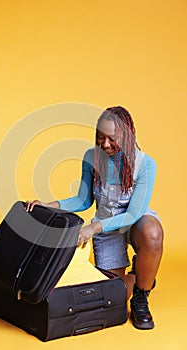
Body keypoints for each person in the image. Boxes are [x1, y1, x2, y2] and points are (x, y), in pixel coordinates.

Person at [25, 106, 164, 330]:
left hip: (134, 222)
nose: (105, 144)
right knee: (113, 296)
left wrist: (94, 228)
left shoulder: (145, 164)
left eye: (112, 139)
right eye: (100, 137)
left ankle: (142, 295)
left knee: (153, 234)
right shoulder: (92, 157)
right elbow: (83, 200)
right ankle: (140, 276)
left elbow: (134, 214)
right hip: (106, 229)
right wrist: (50, 205)